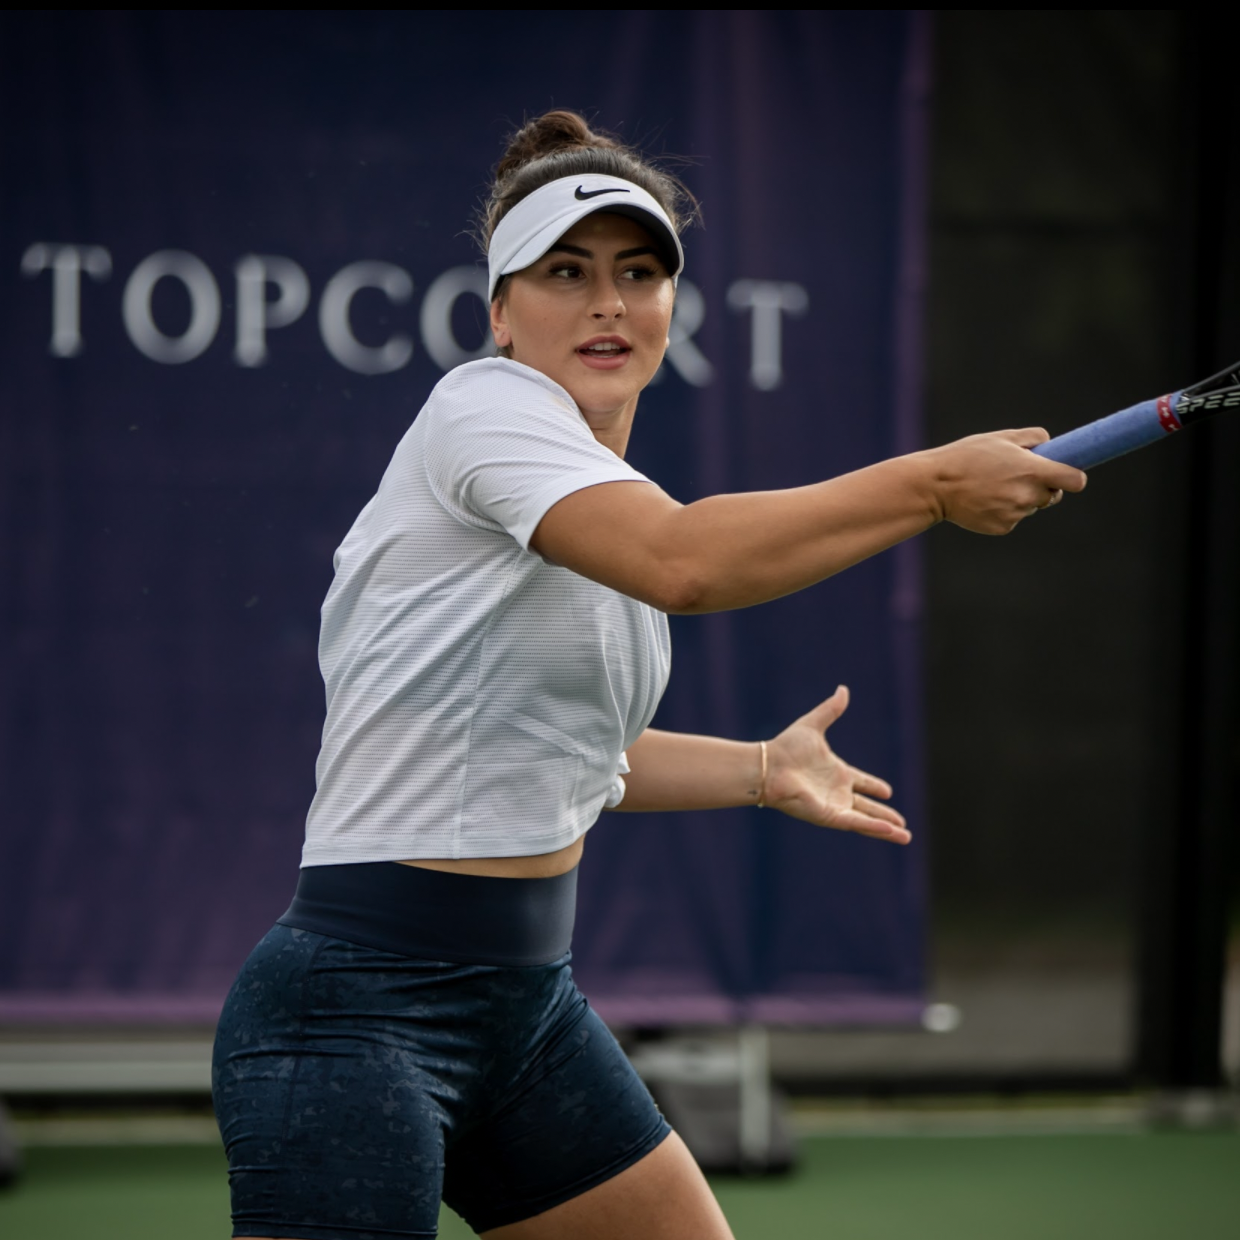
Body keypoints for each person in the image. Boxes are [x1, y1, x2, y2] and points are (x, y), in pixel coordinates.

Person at [211, 110, 1085, 1240]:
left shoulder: (594, 489)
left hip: (524, 1015)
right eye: (565, 273)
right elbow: (685, 562)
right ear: (501, 313)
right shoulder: (484, 412)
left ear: (673, 305)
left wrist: (762, 769)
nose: (608, 303)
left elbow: (573, 749)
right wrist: (928, 486)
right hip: (354, 1010)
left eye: (637, 272)